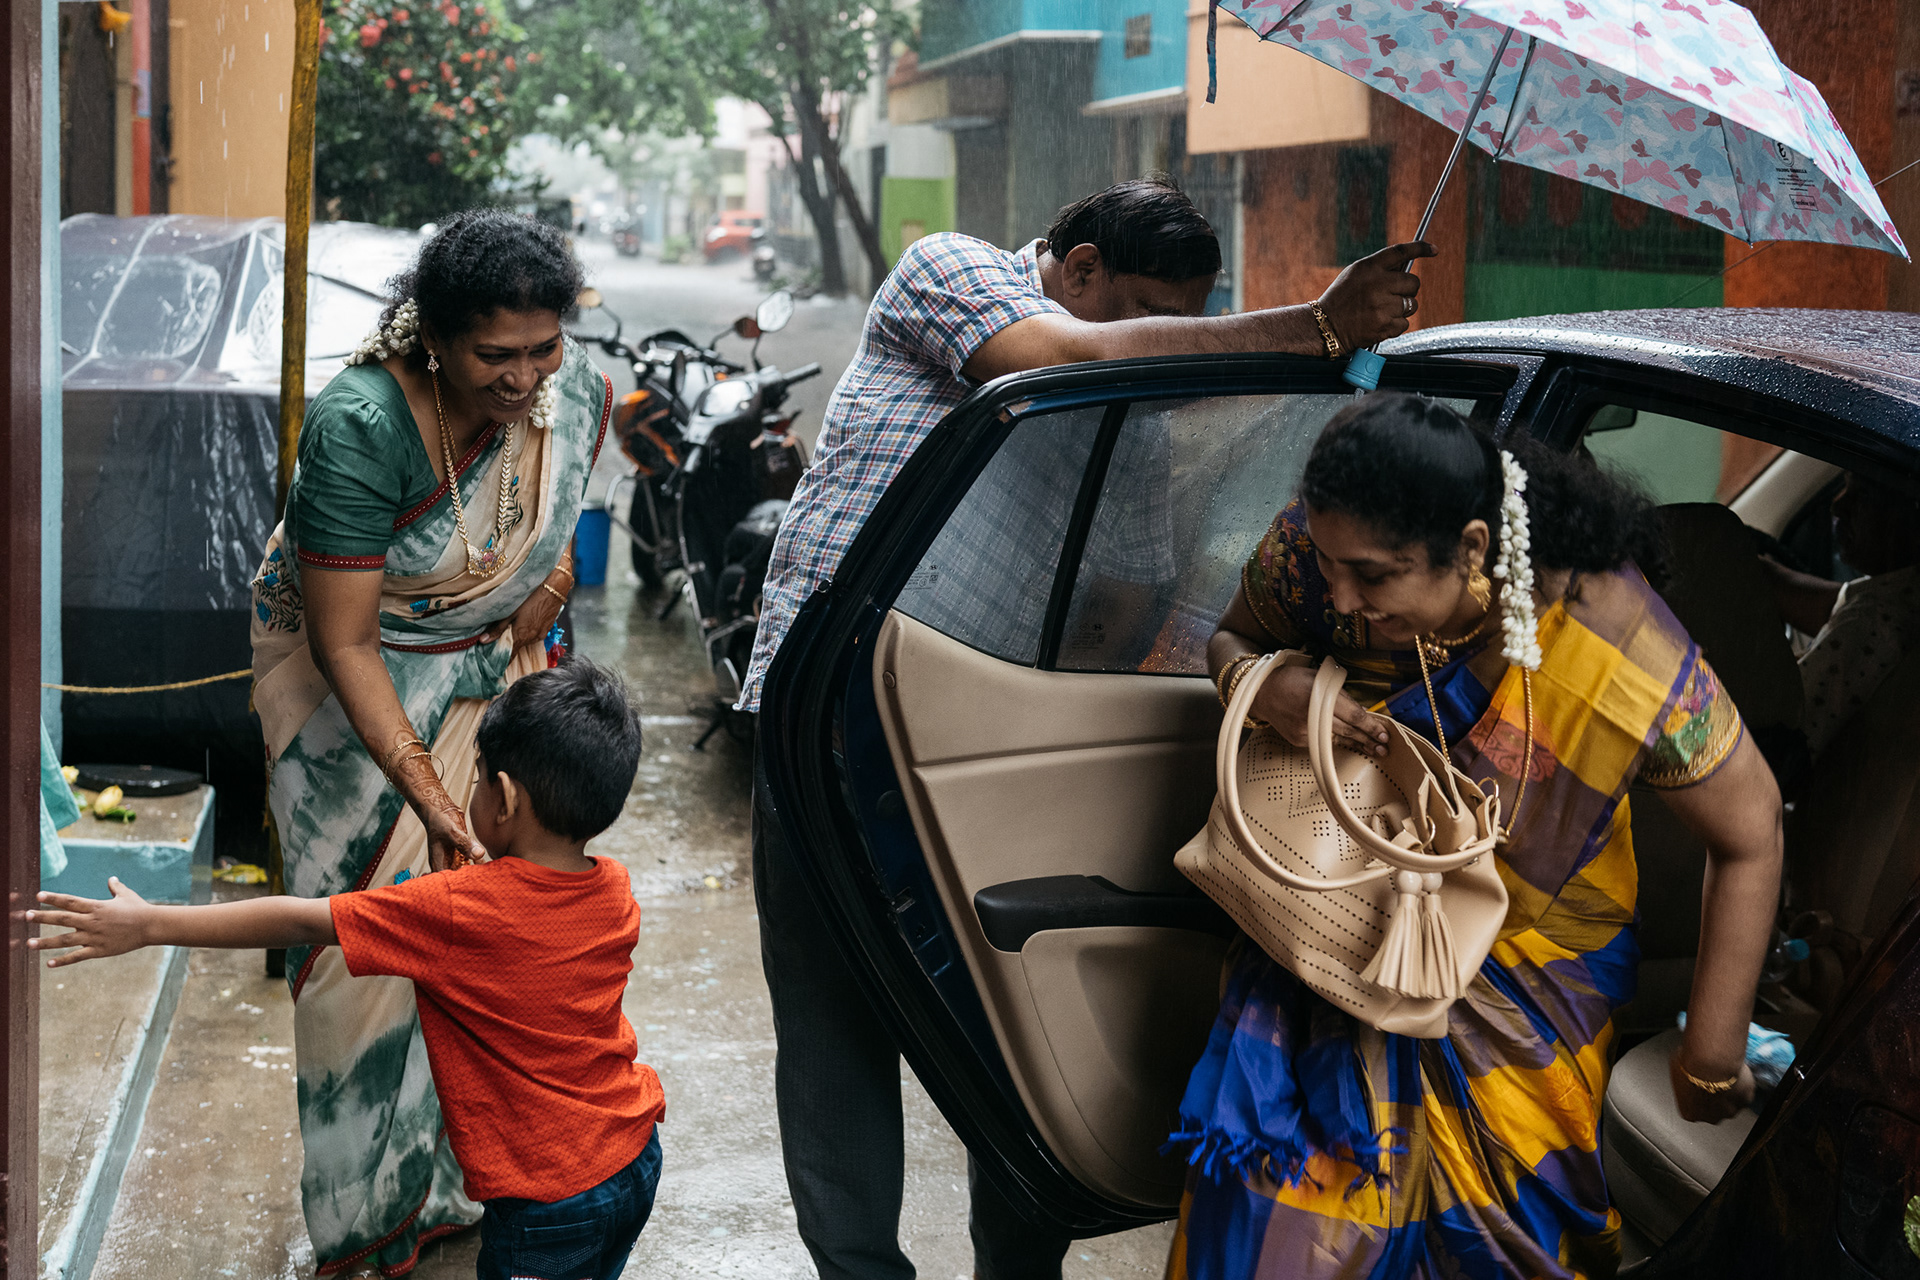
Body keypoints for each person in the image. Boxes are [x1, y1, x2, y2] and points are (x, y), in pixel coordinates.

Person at [736, 176, 1435, 1280]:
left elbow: (1130, 593)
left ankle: (1018, 1267)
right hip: (827, 720)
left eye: (1185, 315)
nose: (1157, 340)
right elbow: (1058, 358)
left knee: (1000, 1021)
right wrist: (1308, 326)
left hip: (977, 744)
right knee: (835, 1030)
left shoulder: (1133, 415)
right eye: (1141, 307)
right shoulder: (953, 273)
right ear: (1077, 267)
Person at [1169, 394, 1783, 1279]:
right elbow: (1230, 638)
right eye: (1330, 563)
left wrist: (1712, 1056)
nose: (1338, 594)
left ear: (1472, 549)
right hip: (1333, 932)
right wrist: (1264, 684)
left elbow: (1752, 824)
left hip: (1532, 975)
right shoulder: (1312, 553)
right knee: (1282, 1223)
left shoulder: (1605, 632)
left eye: (1374, 578)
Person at [28, 660, 662, 1280]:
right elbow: (529, 937)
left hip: (545, 1202)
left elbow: (301, 920)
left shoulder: (453, 913)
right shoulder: (614, 889)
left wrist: (150, 925)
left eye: (476, 779)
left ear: (508, 800)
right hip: (633, 1157)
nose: (469, 793)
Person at [248, 210, 613, 1275]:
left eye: (542, 347)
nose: (524, 376)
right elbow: (344, 637)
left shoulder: (569, 389)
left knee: (487, 945)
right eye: (494, 354)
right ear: (434, 339)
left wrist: (525, 625)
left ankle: (457, 1181)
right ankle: (367, 1222)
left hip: (491, 673)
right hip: (347, 694)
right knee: (366, 951)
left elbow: (552, 551)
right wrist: (425, 788)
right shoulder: (364, 421)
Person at [1762, 470, 1920, 758]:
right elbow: (1836, 602)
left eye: (1860, 497)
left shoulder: (1872, 622)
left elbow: (1779, 743)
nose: (1837, 506)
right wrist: (1755, 568)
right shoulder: (1901, 594)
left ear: (1904, 519)